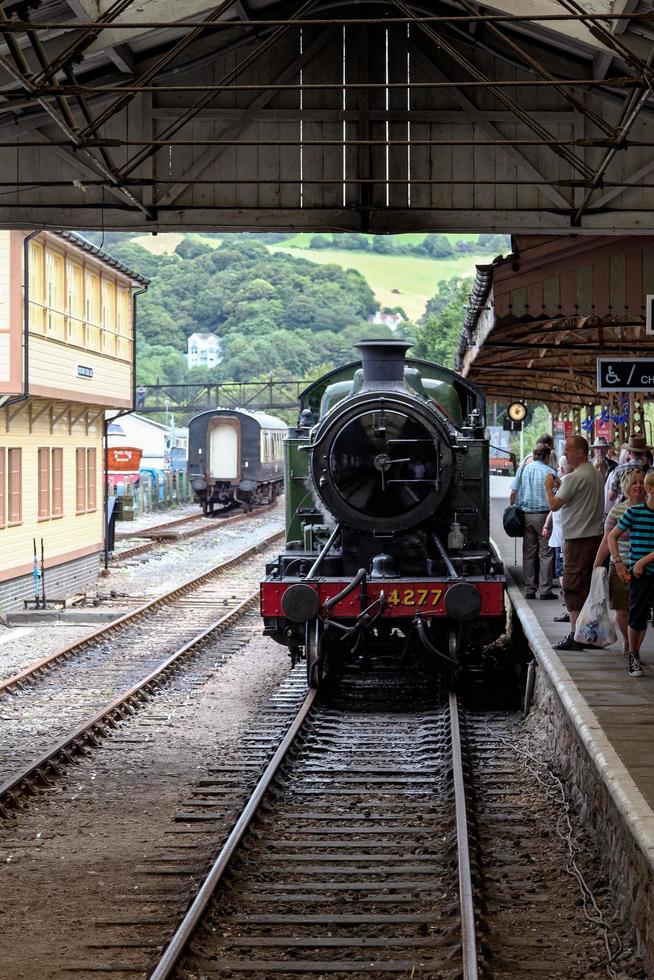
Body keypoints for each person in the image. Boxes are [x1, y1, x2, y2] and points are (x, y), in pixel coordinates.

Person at [544, 435, 605, 651]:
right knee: (587, 586)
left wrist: (548, 486)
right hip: (595, 537)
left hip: (577, 539)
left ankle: (575, 635)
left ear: (580, 452)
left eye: (568, 450)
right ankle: (589, 633)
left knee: (571, 585)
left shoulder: (573, 478)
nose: (565, 454)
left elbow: (554, 505)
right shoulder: (595, 474)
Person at [593, 469, 646, 659]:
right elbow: (608, 539)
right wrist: (597, 564)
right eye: (634, 483)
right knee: (622, 612)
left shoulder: (651, 509)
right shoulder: (617, 510)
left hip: (645, 569)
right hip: (619, 566)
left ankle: (635, 650)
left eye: (641, 482)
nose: (638, 486)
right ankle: (627, 641)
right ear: (626, 487)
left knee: (640, 613)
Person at [608, 470, 654, 678]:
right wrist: (617, 562)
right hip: (640, 575)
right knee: (637, 616)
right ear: (650, 489)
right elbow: (612, 537)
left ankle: (634, 654)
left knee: (641, 616)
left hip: (641, 568)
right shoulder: (634, 513)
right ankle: (633, 655)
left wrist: (642, 561)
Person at [510, 444, 557, 599]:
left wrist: (513, 508)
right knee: (546, 553)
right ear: (546, 456)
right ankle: (545, 590)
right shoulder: (550, 472)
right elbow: (557, 495)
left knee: (529, 553)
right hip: (545, 517)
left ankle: (530, 589)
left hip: (526, 516)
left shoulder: (522, 470)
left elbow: (514, 492)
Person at [607, 434, 650, 503]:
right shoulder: (651, 471)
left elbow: (611, 497)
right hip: (645, 510)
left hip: (625, 509)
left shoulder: (619, 470)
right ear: (644, 452)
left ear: (629, 452)